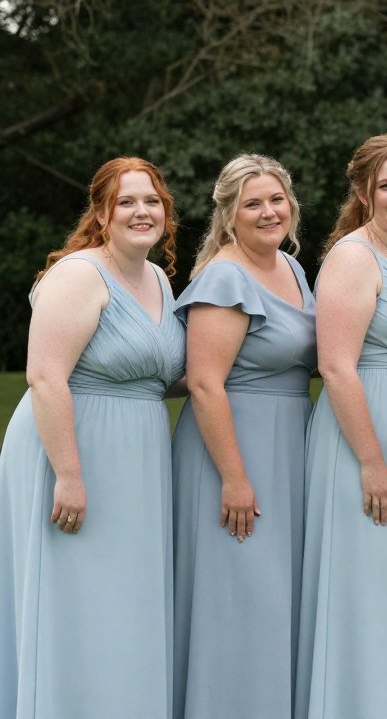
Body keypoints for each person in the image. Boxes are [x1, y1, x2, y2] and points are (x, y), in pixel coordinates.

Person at [0, 156, 185, 717]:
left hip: (138, 459)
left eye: (151, 201)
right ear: (102, 214)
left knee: (124, 598)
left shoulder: (158, 279)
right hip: (73, 450)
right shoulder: (79, 274)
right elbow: (44, 376)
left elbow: (158, 374)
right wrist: (69, 475)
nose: (141, 211)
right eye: (126, 201)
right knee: (77, 596)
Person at [294, 134, 387, 718]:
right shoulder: (352, 257)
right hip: (364, 432)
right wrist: (372, 460)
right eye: (386, 186)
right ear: (363, 193)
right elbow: (335, 366)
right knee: (366, 583)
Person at [171, 154, 315, 719]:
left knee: (277, 596)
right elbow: (204, 383)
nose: (268, 212)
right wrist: (234, 478)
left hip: (287, 446)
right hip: (234, 450)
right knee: (240, 595)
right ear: (229, 214)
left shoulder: (292, 268)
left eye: (276, 199)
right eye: (252, 203)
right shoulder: (225, 277)